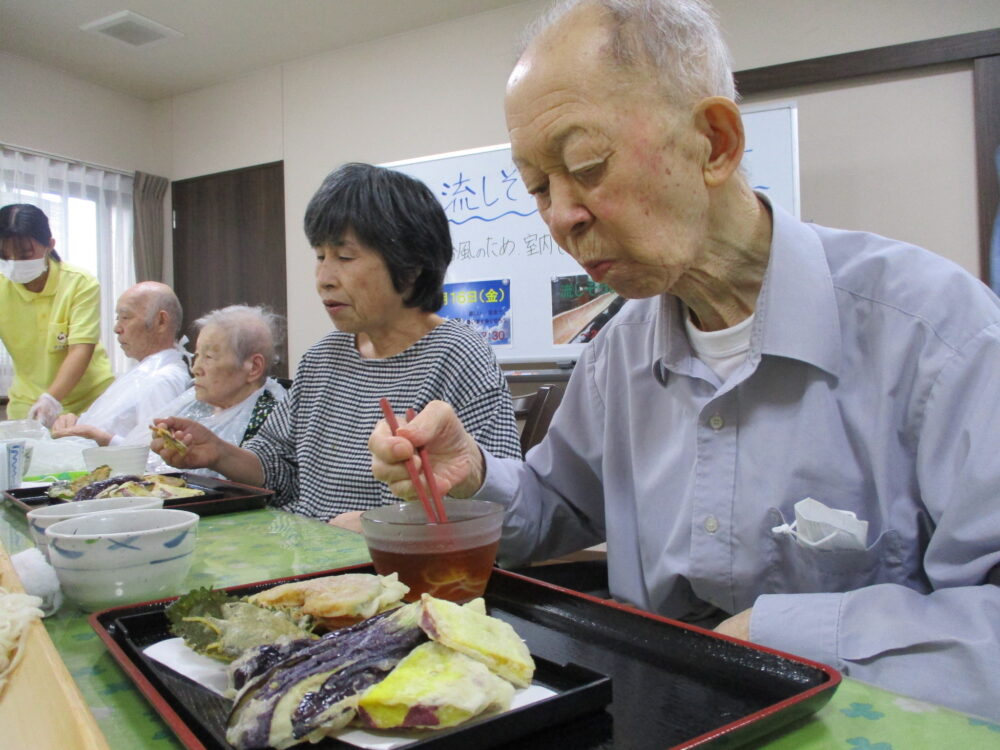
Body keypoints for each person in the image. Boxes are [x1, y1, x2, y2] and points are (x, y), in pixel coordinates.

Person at [368, 0, 1000, 721]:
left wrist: (782, 638)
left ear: (716, 143)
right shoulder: (620, 349)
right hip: (657, 714)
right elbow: (561, 504)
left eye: (587, 166)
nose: (560, 217)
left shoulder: (937, 335)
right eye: (538, 188)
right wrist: (473, 475)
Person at [152, 162, 521, 519]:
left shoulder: (458, 357)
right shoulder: (322, 359)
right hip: (311, 557)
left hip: (392, 567)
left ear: (410, 268)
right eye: (320, 256)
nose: (324, 278)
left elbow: (490, 504)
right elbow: (277, 466)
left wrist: (374, 527)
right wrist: (216, 452)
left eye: (344, 256)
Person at [0, 203, 114, 426]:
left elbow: (81, 349)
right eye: (4, 255)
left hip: (88, 401)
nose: (14, 263)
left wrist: (51, 399)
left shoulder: (79, 283)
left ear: (49, 245)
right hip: (27, 402)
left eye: (24, 254)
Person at [138, 305, 287, 473]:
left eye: (209, 357)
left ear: (253, 367)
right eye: (197, 356)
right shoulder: (197, 404)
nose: (195, 369)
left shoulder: (271, 421)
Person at [50, 282, 191, 445]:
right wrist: (75, 423)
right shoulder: (143, 372)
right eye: (118, 318)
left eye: (126, 317)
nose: (117, 328)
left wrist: (103, 440)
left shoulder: (162, 380)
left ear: (161, 321)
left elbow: (159, 457)